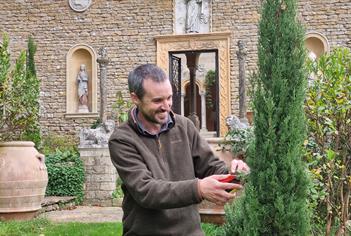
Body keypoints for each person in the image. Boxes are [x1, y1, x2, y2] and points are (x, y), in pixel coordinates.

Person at [108, 64, 249, 236]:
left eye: (169, 98)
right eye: (157, 100)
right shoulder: (122, 139)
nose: (166, 106)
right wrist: (198, 189)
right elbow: (146, 191)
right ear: (135, 98)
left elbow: (210, 167)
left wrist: (234, 174)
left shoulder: (184, 127)